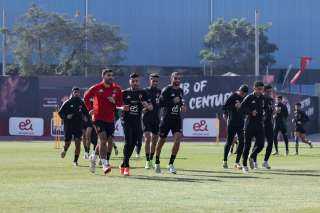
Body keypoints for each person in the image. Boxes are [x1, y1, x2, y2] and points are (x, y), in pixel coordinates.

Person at [84, 68, 123, 175]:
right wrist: (90, 109)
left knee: (105, 141)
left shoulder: (117, 89)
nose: (110, 77)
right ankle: (105, 163)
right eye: (108, 75)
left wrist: (114, 101)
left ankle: (93, 157)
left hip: (110, 119)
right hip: (97, 118)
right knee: (103, 139)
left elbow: (120, 103)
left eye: (112, 75)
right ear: (103, 76)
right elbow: (86, 97)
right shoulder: (96, 88)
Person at [119, 73, 151, 176]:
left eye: (136, 81)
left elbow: (151, 107)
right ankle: (127, 166)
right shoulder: (124, 93)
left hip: (137, 121)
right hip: (126, 120)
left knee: (134, 143)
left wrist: (147, 105)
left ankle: (123, 163)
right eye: (133, 81)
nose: (135, 83)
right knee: (128, 142)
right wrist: (122, 107)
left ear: (139, 82)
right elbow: (116, 105)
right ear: (130, 82)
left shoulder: (143, 93)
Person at [154, 72, 186, 174]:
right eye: (175, 78)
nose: (177, 80)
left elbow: (180, 101)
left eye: (179, 79)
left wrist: (182, 106)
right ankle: (157, 162)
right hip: (166, 119)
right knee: (161, 141)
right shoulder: (166, 89)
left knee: (177, 139)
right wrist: (172, 101)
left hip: (176, 119)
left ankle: (171, 164)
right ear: (171, 79)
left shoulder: (181, 90)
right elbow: (160, 103)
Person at [58, 87, 89, 166]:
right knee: (67, 143)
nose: (77, 94)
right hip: (68, 125)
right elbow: (60, 113)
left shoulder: (81, 103)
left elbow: (86, 112)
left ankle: (75, 161)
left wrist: (86, 117)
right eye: (75, 92)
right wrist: (66, 117)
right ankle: (64, 150)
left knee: (78, 143)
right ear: (72, 93)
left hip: (78, 126)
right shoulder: (67, 102)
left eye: (78, 92)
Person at [240, 81, 265, 173]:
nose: (260, 91)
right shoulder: (249, 97)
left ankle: (252, 156)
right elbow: (242, 108)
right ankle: (244, 165)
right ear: (254, 88)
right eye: (259, 89)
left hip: (259, 124)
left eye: (262, 89)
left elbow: (265, 108)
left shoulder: (263, 98)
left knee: (261, 145)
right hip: (250, 124)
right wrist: (250, 112)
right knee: (247, 145)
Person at [222, 84, 248, 169]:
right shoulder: (233, 96)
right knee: (229, 142)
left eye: (243, 93)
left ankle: (237, 162)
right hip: (232, 122)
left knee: (242, 142)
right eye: (241, 92)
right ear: (239, 90)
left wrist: (244, 110)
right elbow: (224, 107)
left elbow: (247, 109)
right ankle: (225, 160)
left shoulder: (245, 98)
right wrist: (234, 106)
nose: (242, 94)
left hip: (241, 123)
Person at [142, 73, 162, 169]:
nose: (155, 82)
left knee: (155, 140)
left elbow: (162, 103)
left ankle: (151, 159)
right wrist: (145, 107)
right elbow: (140, 103)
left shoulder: (160, 91)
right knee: (147, 139)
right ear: (149, 80)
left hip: (156, 119)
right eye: (153, 80)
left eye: (156, 81)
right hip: (146, 118)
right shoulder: (145, 91)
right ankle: (147, 161)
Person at [261, 84, 275, 169]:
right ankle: (254, 160)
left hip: (269, 123)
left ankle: (265, 161)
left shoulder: (271, 100)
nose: (270, 93)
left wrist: (274, 110)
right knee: (259, 144)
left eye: (270, 91)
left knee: (270, 142)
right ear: (264, 91)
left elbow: (272, 112)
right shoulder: (260, 99)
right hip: (260, 123)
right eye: (268, 91)